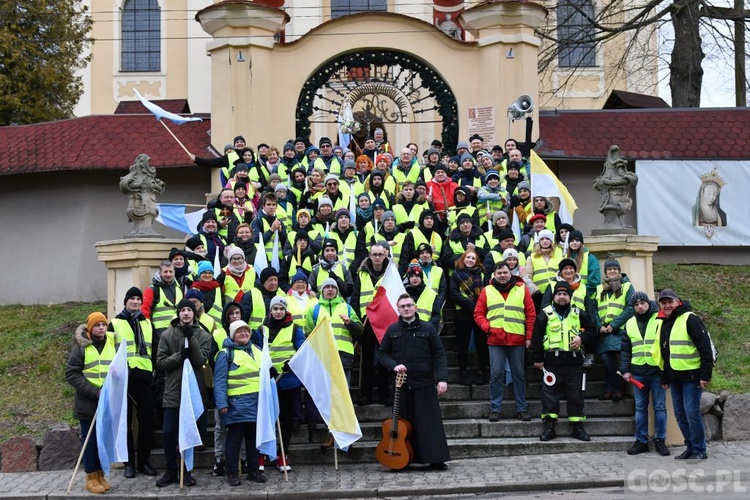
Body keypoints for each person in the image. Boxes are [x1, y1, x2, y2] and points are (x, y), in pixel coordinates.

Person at [378, 293, 450, 470]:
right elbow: (382, 353)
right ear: (398, 308)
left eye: (409, 305)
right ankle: (404, 458)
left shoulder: (428, 328)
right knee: (405, 426)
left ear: (415, 307)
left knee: (429, 424)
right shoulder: (392, 330)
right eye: (402, 306)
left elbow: (439, 354)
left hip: (425, 384)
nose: (406, 308)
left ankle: (435, 459)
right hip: (402, 386)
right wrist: (393, 366)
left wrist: (442, 379)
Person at [155, 299, 211, 487]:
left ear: (194, 314)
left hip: (192, 392)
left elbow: (200, 360)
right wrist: (179, 356)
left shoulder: (203, 335)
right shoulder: (167, 335)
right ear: (178, 314)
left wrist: (191, 339)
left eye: (189, 310)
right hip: (173, 392)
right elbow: (161, 362)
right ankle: (171, 469)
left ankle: (186, 470)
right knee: (169, 433)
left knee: (187, 433)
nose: (186, 313)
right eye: (183, 310)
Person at [531, 281, 596, 442]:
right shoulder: (545, 314)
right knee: (549, 395)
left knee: (575, 395)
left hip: (574, 362)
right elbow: (536, 338)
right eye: (559, 294)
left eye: (565, 294)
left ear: (570, 297)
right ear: (554, 297)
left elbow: (592, 331)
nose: (562, 297)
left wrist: (582, 338)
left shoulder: (578, 313)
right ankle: (549, 427)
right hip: (551, 362)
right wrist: (538, 359)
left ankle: (577, 427)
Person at [655, 289, 713, 460]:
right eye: (663, 303)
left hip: (691, 376)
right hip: (674, 378)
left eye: (669, 302)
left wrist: (705, 375)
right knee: (680, 415)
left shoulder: (690, 319)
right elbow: (665, 352)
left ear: (677, 302)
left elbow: (705, 349)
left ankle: (699, 449)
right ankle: (690, 446)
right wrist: (664, 377)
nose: (667, 305)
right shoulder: (664, 322)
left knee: (691, 413)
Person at [474, 261, 536, 422]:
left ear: (511, 273)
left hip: (517, 339)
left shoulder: (522, 289)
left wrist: (529, 336)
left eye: (505, 273)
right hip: (495, 339)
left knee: (519, 375)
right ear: (494, 275)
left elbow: (531, 314)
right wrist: (488, 328)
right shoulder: (487, 290)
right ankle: (495, 409)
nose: (502, 276)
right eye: (499, 273)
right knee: (495, 375)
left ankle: (522, 408)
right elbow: (478, 314)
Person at [107, 287, 156, 479]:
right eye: (132, 299)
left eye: (138, 299)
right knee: (125, 423)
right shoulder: (115, 323)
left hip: (144, 377)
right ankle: (129, 463)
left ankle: (144, 460)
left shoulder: (147, 324)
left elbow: (155, 349)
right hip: (124, 378)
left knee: (146, 421)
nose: (135, 302)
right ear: (126, 302)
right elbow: (110, 351)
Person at [252, 296, 305, 471]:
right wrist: (267, 368)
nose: (278, 312)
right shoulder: (261, 329)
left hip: (289, 380)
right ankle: (262, 454)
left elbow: (302, 350)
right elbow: (257, 351)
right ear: (270, 310)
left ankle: (283, 454)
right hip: (268, 380)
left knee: (286, 420)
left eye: (281, 309)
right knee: (266, 418)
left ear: (286, 310)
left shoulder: (295, 328)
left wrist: (293, 363)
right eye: (275, 309)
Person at [213, 320, 268, 486]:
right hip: (235, 405)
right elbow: (220, 380)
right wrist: (222, 403)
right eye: (239, 331)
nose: (243, 334)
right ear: (232, 335)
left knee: (253, 440)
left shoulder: (257, 351)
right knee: (234, 440)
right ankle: (232, 472)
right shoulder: (225, 354)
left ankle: (253, 471)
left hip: (256, 404)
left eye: (246, 331)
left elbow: (264, 374)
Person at [65, 312, 114, 494]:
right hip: (88, 402)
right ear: (90, 328)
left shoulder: (112, 343)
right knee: (90, 441)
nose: (101, 328)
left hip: (107, 401)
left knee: (102, 440)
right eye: (97, 325)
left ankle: (100, 474)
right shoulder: (81, 347)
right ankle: (90, 477)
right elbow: (71, 374)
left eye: (103, 324)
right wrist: (95, 392)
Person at [620, 291, 670, 456]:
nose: (640, 307)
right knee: (640, 408)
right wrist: (625, 370)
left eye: (642, 303)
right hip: (638, 371)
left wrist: (667, 370)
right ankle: (641, 441)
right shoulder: (629, 323)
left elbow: (666, 345)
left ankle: (660, 440)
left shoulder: (660, 319)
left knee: (659, 407)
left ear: (648, 304)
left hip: (657, 371)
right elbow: (626, 349)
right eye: (636, 304)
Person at [351, 243, 391, 405]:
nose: (377, 258)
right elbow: (355, 297)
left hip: (385, 323)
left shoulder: (391, 274)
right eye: (374, 254)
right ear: (369, 255)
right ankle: (365, 395)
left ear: (385, 255)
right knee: (366, 361)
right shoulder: (361, 274)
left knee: (384, 361)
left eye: (380, 254)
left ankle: (384, 394)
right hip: (366, 322)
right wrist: (357, 321)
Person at [593, 259, 634, 401]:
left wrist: (614, 325)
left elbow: (630, 308)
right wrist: (599, 326)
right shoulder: (600, 289)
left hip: (620, 331)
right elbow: (594, 310)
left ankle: (615, 389)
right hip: (604, 332)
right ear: (605, 272)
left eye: (615, 269)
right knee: (606, 360)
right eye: (609, 269)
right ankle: (612, 388)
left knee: (619, 362)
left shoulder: (627, 286)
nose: (612, 271)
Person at [449, 248, 489, 386]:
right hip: (463, 313)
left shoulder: (483, 274)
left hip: (480, 314)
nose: (470, 260)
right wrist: (472, 306)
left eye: (473, 258)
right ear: (463, 259)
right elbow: (454, 294)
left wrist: (478, 308)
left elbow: (487, 291)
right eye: (468, 257)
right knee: (462, 345)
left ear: (477, 261)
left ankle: (482, 372)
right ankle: (463, 373)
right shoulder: (456, 274)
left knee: (481, 344)